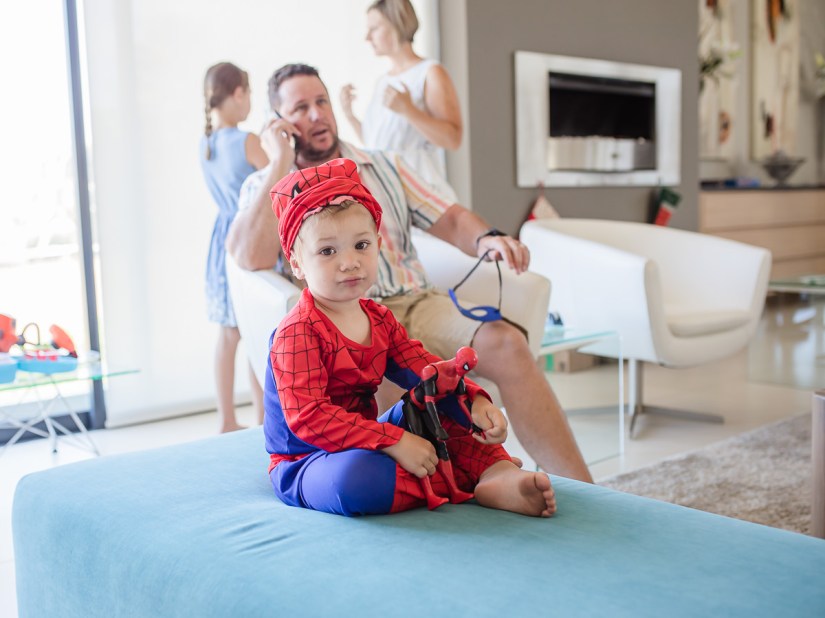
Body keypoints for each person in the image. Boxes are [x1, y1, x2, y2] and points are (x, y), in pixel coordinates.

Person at [225, 63, 594, 483]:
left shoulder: (384, 164)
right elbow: (246, 256)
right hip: (341, 321)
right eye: (300, 108)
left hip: (416, 301)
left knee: (509, 344)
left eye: (321, 101)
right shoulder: (269, 184)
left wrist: (486, 238)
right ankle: (466, 489)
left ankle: (586, 490)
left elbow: (449, 218)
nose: (316, 115)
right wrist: (279, 163)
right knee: (382, 387)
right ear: (279, 123)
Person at [265, 157, 555, 517]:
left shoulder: (379, 319)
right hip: (309, 460)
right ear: (296, 263)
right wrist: (395, 440)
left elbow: (425, 370)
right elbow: (310, 418)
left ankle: (498, 474)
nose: (349, 262)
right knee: (354, 481)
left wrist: (473, 401)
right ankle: (464, 478)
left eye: (361, 245)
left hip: (368, 438)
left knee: (440, 403)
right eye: (327, 251)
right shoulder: (297, 331)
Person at [200, 61, 268, 432]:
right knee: (256, 330)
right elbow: (278, 182)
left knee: (229, 333)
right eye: (249, 94)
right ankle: (261, 415)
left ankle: (226, 417)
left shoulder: (206, 142)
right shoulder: (246, 141)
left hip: (220, 240)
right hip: (248, 234)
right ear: (238, 93)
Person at [340, 0, 461, 201]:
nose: (367, 37)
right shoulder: (383, 82)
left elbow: (453, 139)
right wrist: (349, 115)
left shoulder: (430, 73)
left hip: (423, 191)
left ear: (396, 25)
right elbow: (377, 144)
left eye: (374, 28)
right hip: (388, 192)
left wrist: (408, 110)